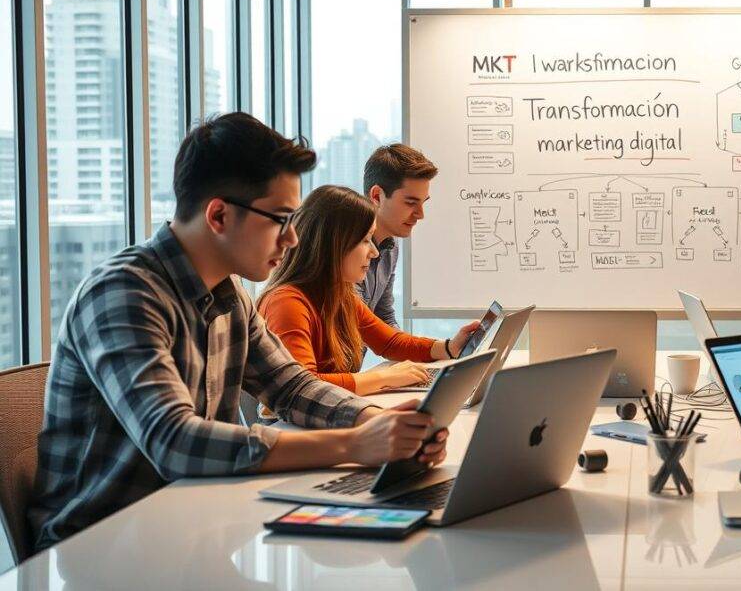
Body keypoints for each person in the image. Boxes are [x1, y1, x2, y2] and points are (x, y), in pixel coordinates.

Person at [29, 114, 449, 550]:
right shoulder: (122, 294)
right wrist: (353, 444)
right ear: (219, 215)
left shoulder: (231, 296)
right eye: (281, 219)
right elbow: (175, 441)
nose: (292, 240)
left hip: (195, 524)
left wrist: (378, 422)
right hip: (100, 547)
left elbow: (291, 387)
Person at [258, 185, 479, 397]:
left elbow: (390, 343)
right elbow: (303, 387)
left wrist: (450, 347)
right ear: (334, 244)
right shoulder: (287, 303)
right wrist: (384, 377)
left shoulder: (340, 295)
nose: (373, 253)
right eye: (365, 241)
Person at [358, 143, 438, 328]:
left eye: (423, 203)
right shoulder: (345, 248)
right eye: (411, 203)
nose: (420, 214)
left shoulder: (390, 247)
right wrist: (440, 349)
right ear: (377, 196)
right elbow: (366, 327)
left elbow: (383, 317)